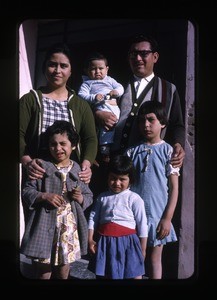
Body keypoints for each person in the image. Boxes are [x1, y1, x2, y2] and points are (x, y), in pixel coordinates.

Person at [94, 34, 185, 168]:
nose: (137, 58)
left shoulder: (169, 89)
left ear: (155, 57)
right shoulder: (116, 83)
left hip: (148, 163)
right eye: (133, 54)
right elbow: (94, 103)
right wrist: (98, 114)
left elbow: (177, 124)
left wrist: (178, 144)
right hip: (113, 163)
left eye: (143, 54)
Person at [20, 120, 93, 279]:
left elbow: (89, 196)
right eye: (53, 144)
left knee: (63, 269)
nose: (58, 148)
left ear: (73, 145)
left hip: (68, 228)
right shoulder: (42, 166)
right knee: (43, 271)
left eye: (63, 144)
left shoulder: (78, 170)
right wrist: (44, 196)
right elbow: (27, 191)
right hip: (44, 225)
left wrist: (80, 197)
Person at [19, 42, 98, 185]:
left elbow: (90, 139)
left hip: (71, 177)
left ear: (71, 71)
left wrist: (86, 164)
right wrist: (27, 161)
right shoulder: (30, 100)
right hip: (37, 175)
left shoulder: (81, 105)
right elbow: (16, 134)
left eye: (63, 66)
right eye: (52, 64)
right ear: (45, 68)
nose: (57, 70)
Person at [125, 101, 180, 279]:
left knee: (155, 259)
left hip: (158, 215)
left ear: (162, 123)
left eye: (151, 120)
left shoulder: (168, 151)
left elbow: (174, 188)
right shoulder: (132, 152)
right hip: (134, 215)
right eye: (142, 121)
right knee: (135, 256)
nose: (146, 125)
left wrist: (167, 218)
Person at [88, 154, 148, 279]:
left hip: (129, 243)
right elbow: (93, 218)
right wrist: (90, 239)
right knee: (105, 274)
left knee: (133, 274)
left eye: (122, 179)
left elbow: (142, 225)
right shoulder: (102, 197)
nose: (117, 183)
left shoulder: (134, 199)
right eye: (113, 178)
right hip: (105, 242)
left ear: (130, 180)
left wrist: (142, 249)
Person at [78, 52, 124, 161]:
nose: (97, 71)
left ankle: (117, 145)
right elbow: (81, 95)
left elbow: (120, 87)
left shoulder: (110, 80)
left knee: (118, 124)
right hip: (101, 107)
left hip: (114, 106)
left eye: (101, 68)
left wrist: (116, 92)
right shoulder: (87, 83)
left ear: (107, 69)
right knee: (106, 127)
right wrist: (94, 97)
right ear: (87, 70)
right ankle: (105, 148)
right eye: (93, 69)